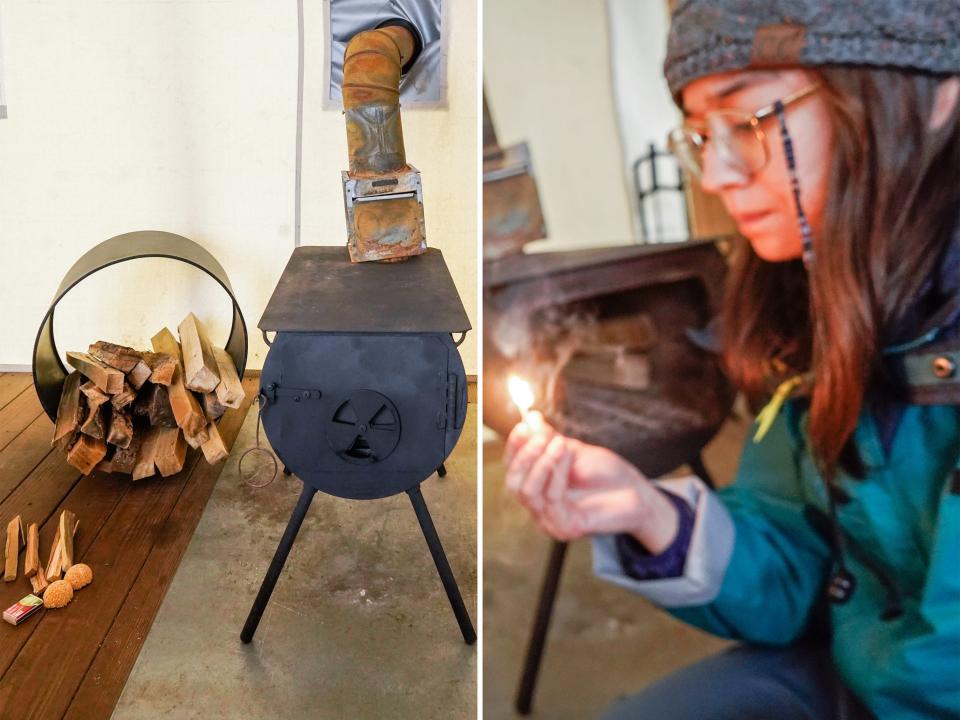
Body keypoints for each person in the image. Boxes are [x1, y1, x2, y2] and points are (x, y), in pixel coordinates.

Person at [504, 3, 960, 719]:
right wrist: (652, 515)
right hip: (853, 673)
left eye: (747, 121)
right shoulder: (811, 310)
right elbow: (804, 571)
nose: (714, 175)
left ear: (935, 93)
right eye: (697, 135)